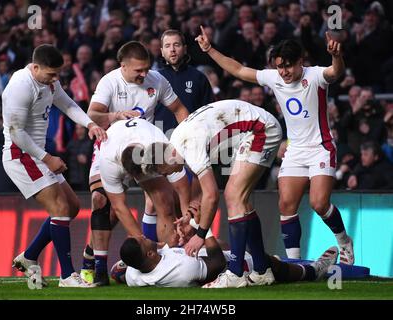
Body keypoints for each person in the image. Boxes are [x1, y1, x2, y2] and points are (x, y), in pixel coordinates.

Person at [195, 26, 355, 265]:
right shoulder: (274, 77)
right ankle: (296, 263)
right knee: (286, 205)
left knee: (319, 203)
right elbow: (238, 70)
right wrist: (209, 50)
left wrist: (336, 56)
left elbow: (336, 72)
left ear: (301, 62)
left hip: (321, 147)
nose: (283, 72)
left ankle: (344, 242)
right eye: (279, 66)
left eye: (288, 66)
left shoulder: (315, 76)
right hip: (295, 150)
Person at [81, 40, 189, 286]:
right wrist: (115, 116)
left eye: (146, 69)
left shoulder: (157, 80)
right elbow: (92, 114)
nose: (144, 74)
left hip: (146, 148)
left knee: (165, 202)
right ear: (123, 66)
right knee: (103, 202)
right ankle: (96, 263)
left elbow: (179, 109)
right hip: (110, 146)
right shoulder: (110, 81)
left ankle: (172, 258)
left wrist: (186, 138)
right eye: (138, 70)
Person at [141, 99, 282, 288]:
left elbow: (211, 195)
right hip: (252, 128)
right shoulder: (176, 143)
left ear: (163, 160)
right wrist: (191, 218)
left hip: (261, 129)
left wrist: (200, 235)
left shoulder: (189, 147)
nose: (167, 175)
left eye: (163, 171)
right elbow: (202, 192)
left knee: (233, 196)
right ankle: (262, 271)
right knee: (242, 203)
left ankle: (235, 273)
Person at [3, 44, 107, 289]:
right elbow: (16, 133)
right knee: (59, 207)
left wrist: (90, 123)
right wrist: (47, 157)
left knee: (70, 208)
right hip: (21, 155)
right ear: (35, 67)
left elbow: (68, 104)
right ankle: (67, 276)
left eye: (58, 74)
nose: (56, 79)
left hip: (38, 153)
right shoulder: (20, 86)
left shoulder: (48, 81)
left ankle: (29, 257)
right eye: (51, 74)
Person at [116, 228, 339, 288]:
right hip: (226, 270)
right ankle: (312, 271)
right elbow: (218, 263)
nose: (145, 236)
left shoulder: (134, 274)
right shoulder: (181, 269)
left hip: (203, 260)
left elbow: (120, 272)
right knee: (270, 265)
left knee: (222, 245)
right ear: (149, 254)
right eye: (143, 240)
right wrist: (202, 230)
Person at [98, 118, 190, 252]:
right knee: (103, 203)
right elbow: (119, 207)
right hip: (114, 146)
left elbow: (182, 187)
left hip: (146, 144)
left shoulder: (157, 144)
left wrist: (187, 216)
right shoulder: (108, 162)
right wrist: (142, 243)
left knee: (166, 203)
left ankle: (172, 254)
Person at [154, 29, 214, 133]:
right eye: (167, 46)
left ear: (185, 49)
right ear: (162, 52)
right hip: (161, 139)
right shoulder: (154, 78)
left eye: (176, 45)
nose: (172, 49)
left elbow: (209, 113)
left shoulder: (199, 77)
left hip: (192, 137)